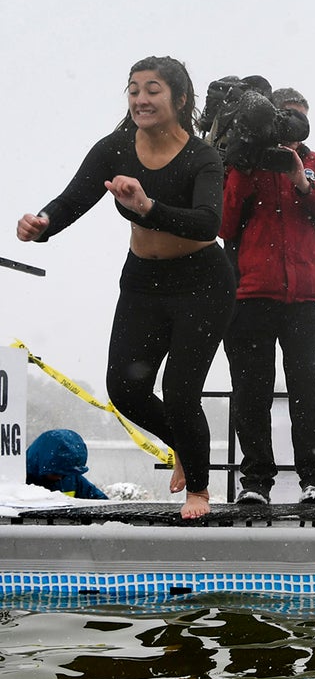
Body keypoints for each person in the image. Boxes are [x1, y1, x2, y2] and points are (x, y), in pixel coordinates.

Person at [16, 56, 232, 520]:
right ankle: (181, 442)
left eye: (152, 89)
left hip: (201, 283)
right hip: (143, 281)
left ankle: (199, 489)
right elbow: (75, 196)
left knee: (179, 391)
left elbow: (208, 222)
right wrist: (44, 222)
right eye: (133, 89)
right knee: (125, 389)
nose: (140, 98)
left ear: (180, 99)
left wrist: (149, 205)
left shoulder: (202, 157)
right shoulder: (114, 148)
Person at [220, 87, 315, 506]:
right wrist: (242, 166)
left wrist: (301, 181)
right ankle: (255, 481)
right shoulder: (244, 160)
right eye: (285, 118)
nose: (292, 130)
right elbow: (223, 225)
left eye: (300, 121)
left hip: (305, 298)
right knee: (250, 392)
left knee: (306, 393)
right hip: (251, 294)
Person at [26, 429, 108, 500]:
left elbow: (102, 503)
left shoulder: (71, 478)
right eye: (56, 473)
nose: (60, 477)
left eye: (65, 474)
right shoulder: (19, 479)